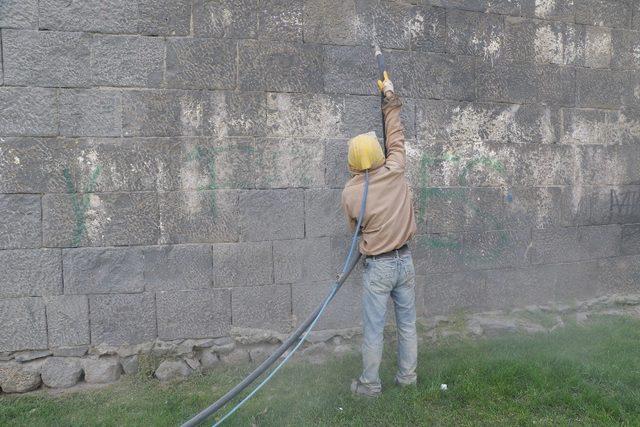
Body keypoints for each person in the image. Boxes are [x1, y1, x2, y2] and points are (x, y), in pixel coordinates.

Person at [341, 71, 418, 397]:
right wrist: (389, 94)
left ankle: (370, 386)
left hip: (379, 267)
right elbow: (396, 135)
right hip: (405, 262)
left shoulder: (350, 192)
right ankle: (407, 380)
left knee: (374, 330)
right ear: (378, 153)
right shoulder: (396, 167)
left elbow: (354, 229)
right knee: (407, 325)